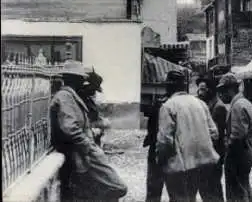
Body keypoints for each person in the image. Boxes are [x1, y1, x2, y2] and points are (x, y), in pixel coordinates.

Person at [50, 60, 127, 202]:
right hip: (81, 154)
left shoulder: (71, 96)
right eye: (81, 79)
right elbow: (70, 128)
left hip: (83, 153)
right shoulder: (65, 97)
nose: (83, 82)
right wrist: (89, 146)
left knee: (93, 191)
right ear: (74, 79)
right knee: (118, 187)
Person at [156, 70, 220, 202]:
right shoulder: (200, 104)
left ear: (170, 86)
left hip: (180, 166)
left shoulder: (168, 106)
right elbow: (214, 134)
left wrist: (160, 161)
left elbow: (165, 141)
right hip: (202, 164)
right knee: (191, 197)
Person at [217, 73, 252, 202]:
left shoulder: (238, 106)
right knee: (244, 189)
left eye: (222, 91)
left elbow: (237, 136)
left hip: (238, 157)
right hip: (244, 155)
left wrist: (226, 148)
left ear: (230, 89)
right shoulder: (245, 102)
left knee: (236, 193)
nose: (221, 96)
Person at [196, 76, 227, 202]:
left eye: (202, 89)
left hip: (214, 155)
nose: (199, 93)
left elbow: (215, 135)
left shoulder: (218, 107)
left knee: (212, 188)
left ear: (210, 90)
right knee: (206, 188)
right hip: (208, 155)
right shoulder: (207, 104)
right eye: (199, 89)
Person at [144, 79, 171, 202]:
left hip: (156, 148)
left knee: (153, 190)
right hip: (170, 150)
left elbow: (150, 126)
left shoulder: (158, 104)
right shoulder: (176, 105)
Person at [80, 67, 110, 147]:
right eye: (93, 90)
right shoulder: (81, 94)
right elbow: (98, 81)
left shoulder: (87, 96)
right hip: (87, 131)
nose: (94, 92)